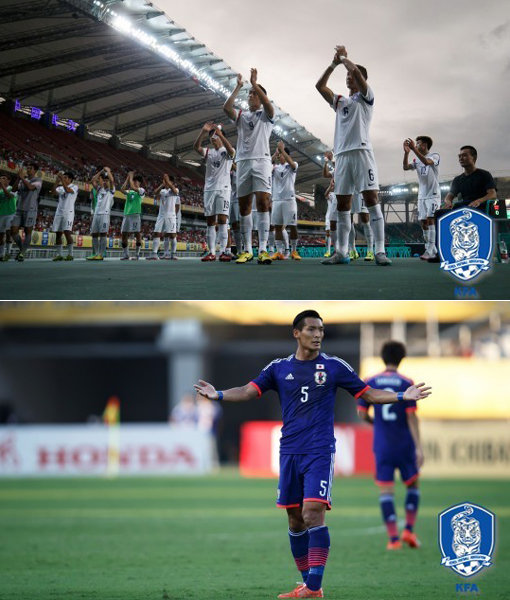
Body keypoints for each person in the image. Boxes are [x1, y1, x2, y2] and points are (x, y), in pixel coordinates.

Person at [194, 310, 431, 599]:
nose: (318, 334)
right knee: (294, 519)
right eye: (311, 329)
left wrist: (400, 396)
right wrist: (217, 394)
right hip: (289, 451)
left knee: (312, 512)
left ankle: (314, 586)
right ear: (297, 333)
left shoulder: (334, 367)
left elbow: (368, 394)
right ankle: (309, 585)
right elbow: (247, 391)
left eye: (321, 330)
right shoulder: (279, 368)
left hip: (319, 450)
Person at [316, 45, 391, 266]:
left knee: (371, 200)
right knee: (342, 205)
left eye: (351, 75)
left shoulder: (367, 98)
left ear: (362, 80)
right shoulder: (341, 102)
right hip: (343, 157)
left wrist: (346, 59)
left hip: (362, 153)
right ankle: (341, 252)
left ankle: (379, 250)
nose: (348, 77)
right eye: (347, 75)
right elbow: (320, 86)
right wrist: (334, 64)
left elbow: (357, 73)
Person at [357, 341, 423, 550]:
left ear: (382, 357)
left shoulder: (371, 381)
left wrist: (376, 425)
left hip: (383, 443)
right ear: (402, 358)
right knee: (412, 485)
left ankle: (393, 539)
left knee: (386, 491)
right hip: (404, 443)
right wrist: (419, 447)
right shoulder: (406, 383)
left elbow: (361, 413)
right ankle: (409, 531)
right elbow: (412, 418)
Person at [223, 69, 274, 264]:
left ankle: (262, 249)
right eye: (250, 94)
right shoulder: (242, 116)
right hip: (243, 162)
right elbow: (226, 107)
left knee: (262, 202)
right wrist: (239, 87)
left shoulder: (266, 115)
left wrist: (255, 84)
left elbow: (269, 105)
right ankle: (247, 249)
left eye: (254, 94)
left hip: (262, 161)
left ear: (260, 98)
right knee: (244, 207)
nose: (251, 96)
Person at [428, 146, 497, 263]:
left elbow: (492, 194)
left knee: (460, 208)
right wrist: (448, 202)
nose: (461, 158)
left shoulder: (484, 175)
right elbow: (449, 196)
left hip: (479, 208)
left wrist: (479, 200)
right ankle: (442, 254)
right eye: (459, 156)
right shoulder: (458, 179)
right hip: (463, 207)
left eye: (465, 155)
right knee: (440, 213)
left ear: (474, 157)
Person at [194, 122, 235, 262]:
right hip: (209, 189)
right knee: (210, 222)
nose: (212, 137)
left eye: (214, 135)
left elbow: (232, 151)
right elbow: (196, 147)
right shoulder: (209, 152)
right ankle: (211, 252)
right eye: (211, 136)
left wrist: (221, 134)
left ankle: (224, 251)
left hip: (223, 189)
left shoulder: (227, 152)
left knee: (223, 220)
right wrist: (203, 132)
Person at [403, 136, 441, 260]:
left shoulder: (435, 156)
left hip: (433, 194)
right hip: (422, 195)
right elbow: (405, 167)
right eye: (416, 144)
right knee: (423, 222)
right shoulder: (416, 159)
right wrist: (407, 153)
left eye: (418, 143)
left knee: (431, 220)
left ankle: (429, 250)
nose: (417, 145)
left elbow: (426, 162)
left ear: (424, 145)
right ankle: (432, 249)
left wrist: (414, 149)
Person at [271, 141, 301, 261]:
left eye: (282, 155)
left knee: (293, 226)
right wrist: (275, 153)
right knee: (278, 227)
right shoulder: (275, 168)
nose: (280, 157)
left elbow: (292, 164)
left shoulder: (293, 165)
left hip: (289, 199)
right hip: (277, 200)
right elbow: (267, 163)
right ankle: (279, 252)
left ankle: (294, 250)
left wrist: (282, 150)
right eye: (279, 155)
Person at [10, 162, 42, 262]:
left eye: (30, 168)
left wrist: (22, 178)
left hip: (31, 209)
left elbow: (30, 187)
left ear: (35, 170)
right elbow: (14, 190)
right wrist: (18, 178)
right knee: (13, 231)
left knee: (27, 231)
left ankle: (22, 253)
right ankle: (22, 250)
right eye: (27, 168)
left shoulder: (38, 180)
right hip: (19, 208)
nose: (28, 170)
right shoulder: (22, 179)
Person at [148, 174, 179, 260]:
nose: (165, 182)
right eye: (165, 180)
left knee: (172, 235)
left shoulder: (175, 190)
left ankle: (173, 254)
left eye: (167, 180)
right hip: (161, 215)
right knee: (156, 233)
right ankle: (154, 254)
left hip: (171, 215)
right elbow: (154, 193)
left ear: (171, 182)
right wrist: (162, 184)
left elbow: (175, 192)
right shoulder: (162, 191)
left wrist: (167, 181)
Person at [87, 166, 115, 261]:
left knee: (103, 234)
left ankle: (102, 254)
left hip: (105, 214)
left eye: (107, 180)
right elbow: (92, 180)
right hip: (96, 214)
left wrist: (108, 171)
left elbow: (112, 180)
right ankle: (95, 253)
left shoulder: (111, 191)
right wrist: (101, 171)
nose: (106, 182)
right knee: (94, 234)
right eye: (104, 180)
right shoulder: (99, 189)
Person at [51, 171, 78, 261]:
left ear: (70, 179)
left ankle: (70, 254)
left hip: (68, 212)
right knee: (58, 234)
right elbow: (53, 192)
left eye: (66, 177)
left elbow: (68, 190)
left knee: (67, 232)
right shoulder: (60, 187)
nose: (64, 178)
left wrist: (61, 179)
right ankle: (59, 254)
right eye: (64, 177)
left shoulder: (74, 187)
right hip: (59, 212)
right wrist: (56, 181)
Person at [120, 171, 145, 260]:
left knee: (137, 234)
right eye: (134, 180)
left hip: (135, 215)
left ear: (140, 183)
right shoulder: (129, 191)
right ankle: (126, 254)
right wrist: (128, 178)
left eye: (136, 181)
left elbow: (133, 187)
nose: (135, 182)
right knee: (124, 234)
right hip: (127, 214)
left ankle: (137, 254)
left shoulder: (141, 190)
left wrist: (130, 177)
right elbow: (122, 189)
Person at [0, 174, 17, 262]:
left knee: (8, 234)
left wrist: (2, 185)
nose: (1, 180)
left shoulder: (11, 188)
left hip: (10, 214)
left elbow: (9, 196)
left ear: (8, 181)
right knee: (0, 236)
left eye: (4, 178)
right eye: (1, 178)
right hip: (1, 214)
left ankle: (8, 253)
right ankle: (1, 254)